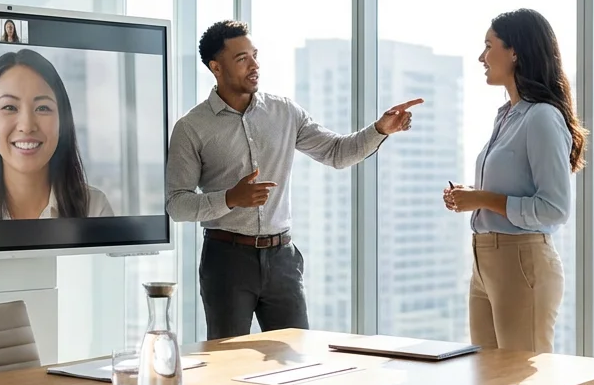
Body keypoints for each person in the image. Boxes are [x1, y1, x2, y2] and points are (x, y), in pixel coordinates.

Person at [167, 19, 423, 339]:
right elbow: (177, 204)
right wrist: (230, 199)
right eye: (242, 58)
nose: (255, 65)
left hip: (282, 260)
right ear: (215, 67)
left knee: (297, 358)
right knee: (226, 364)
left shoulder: (285, 112)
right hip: (227, 261)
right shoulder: (192, 128)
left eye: (255, 55)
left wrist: (380, 130)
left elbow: (336, 153)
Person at [443, 8, 587, 385]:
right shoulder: (508, 115)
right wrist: (475, 202)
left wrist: (481, 200)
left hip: (522, 264)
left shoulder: (543, 118)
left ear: (516, 52)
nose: (482, 57)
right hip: (486, 260)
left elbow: (553, 209)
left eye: (489, 46)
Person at [0, 49, 113, 221]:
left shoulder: (94, 210)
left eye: (42, 108)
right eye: (9, 107)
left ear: (62, 122)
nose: (26, 126)